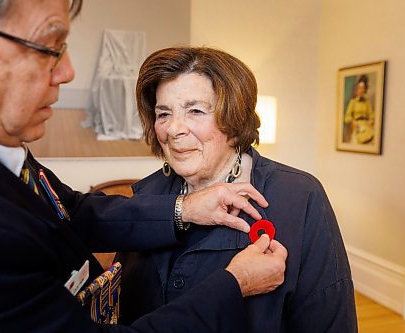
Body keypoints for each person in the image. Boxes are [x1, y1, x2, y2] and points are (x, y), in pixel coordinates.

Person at [0, 1, 290, 332]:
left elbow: (71, 212)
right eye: (49, 48)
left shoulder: (295, 195)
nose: (69, 72)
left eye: (195, 110)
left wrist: (185, 209)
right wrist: (235, 283)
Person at [116, 47, 358, 332]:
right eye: (163, 113)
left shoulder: (298, 197)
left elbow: (329, 320)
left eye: (195, 111)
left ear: (234, 118)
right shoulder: (147, 196)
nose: (173, 129)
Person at [343, 74, 375, 144]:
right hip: (357, 126)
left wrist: (371, 120)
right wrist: (353, 121)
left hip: (366, 126)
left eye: (363, 88)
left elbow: (372, 115)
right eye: (359, 88)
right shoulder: (353, 102)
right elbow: (346, 117)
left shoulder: (367, 102)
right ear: (357, 89)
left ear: (365, 89)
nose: (361, 90)